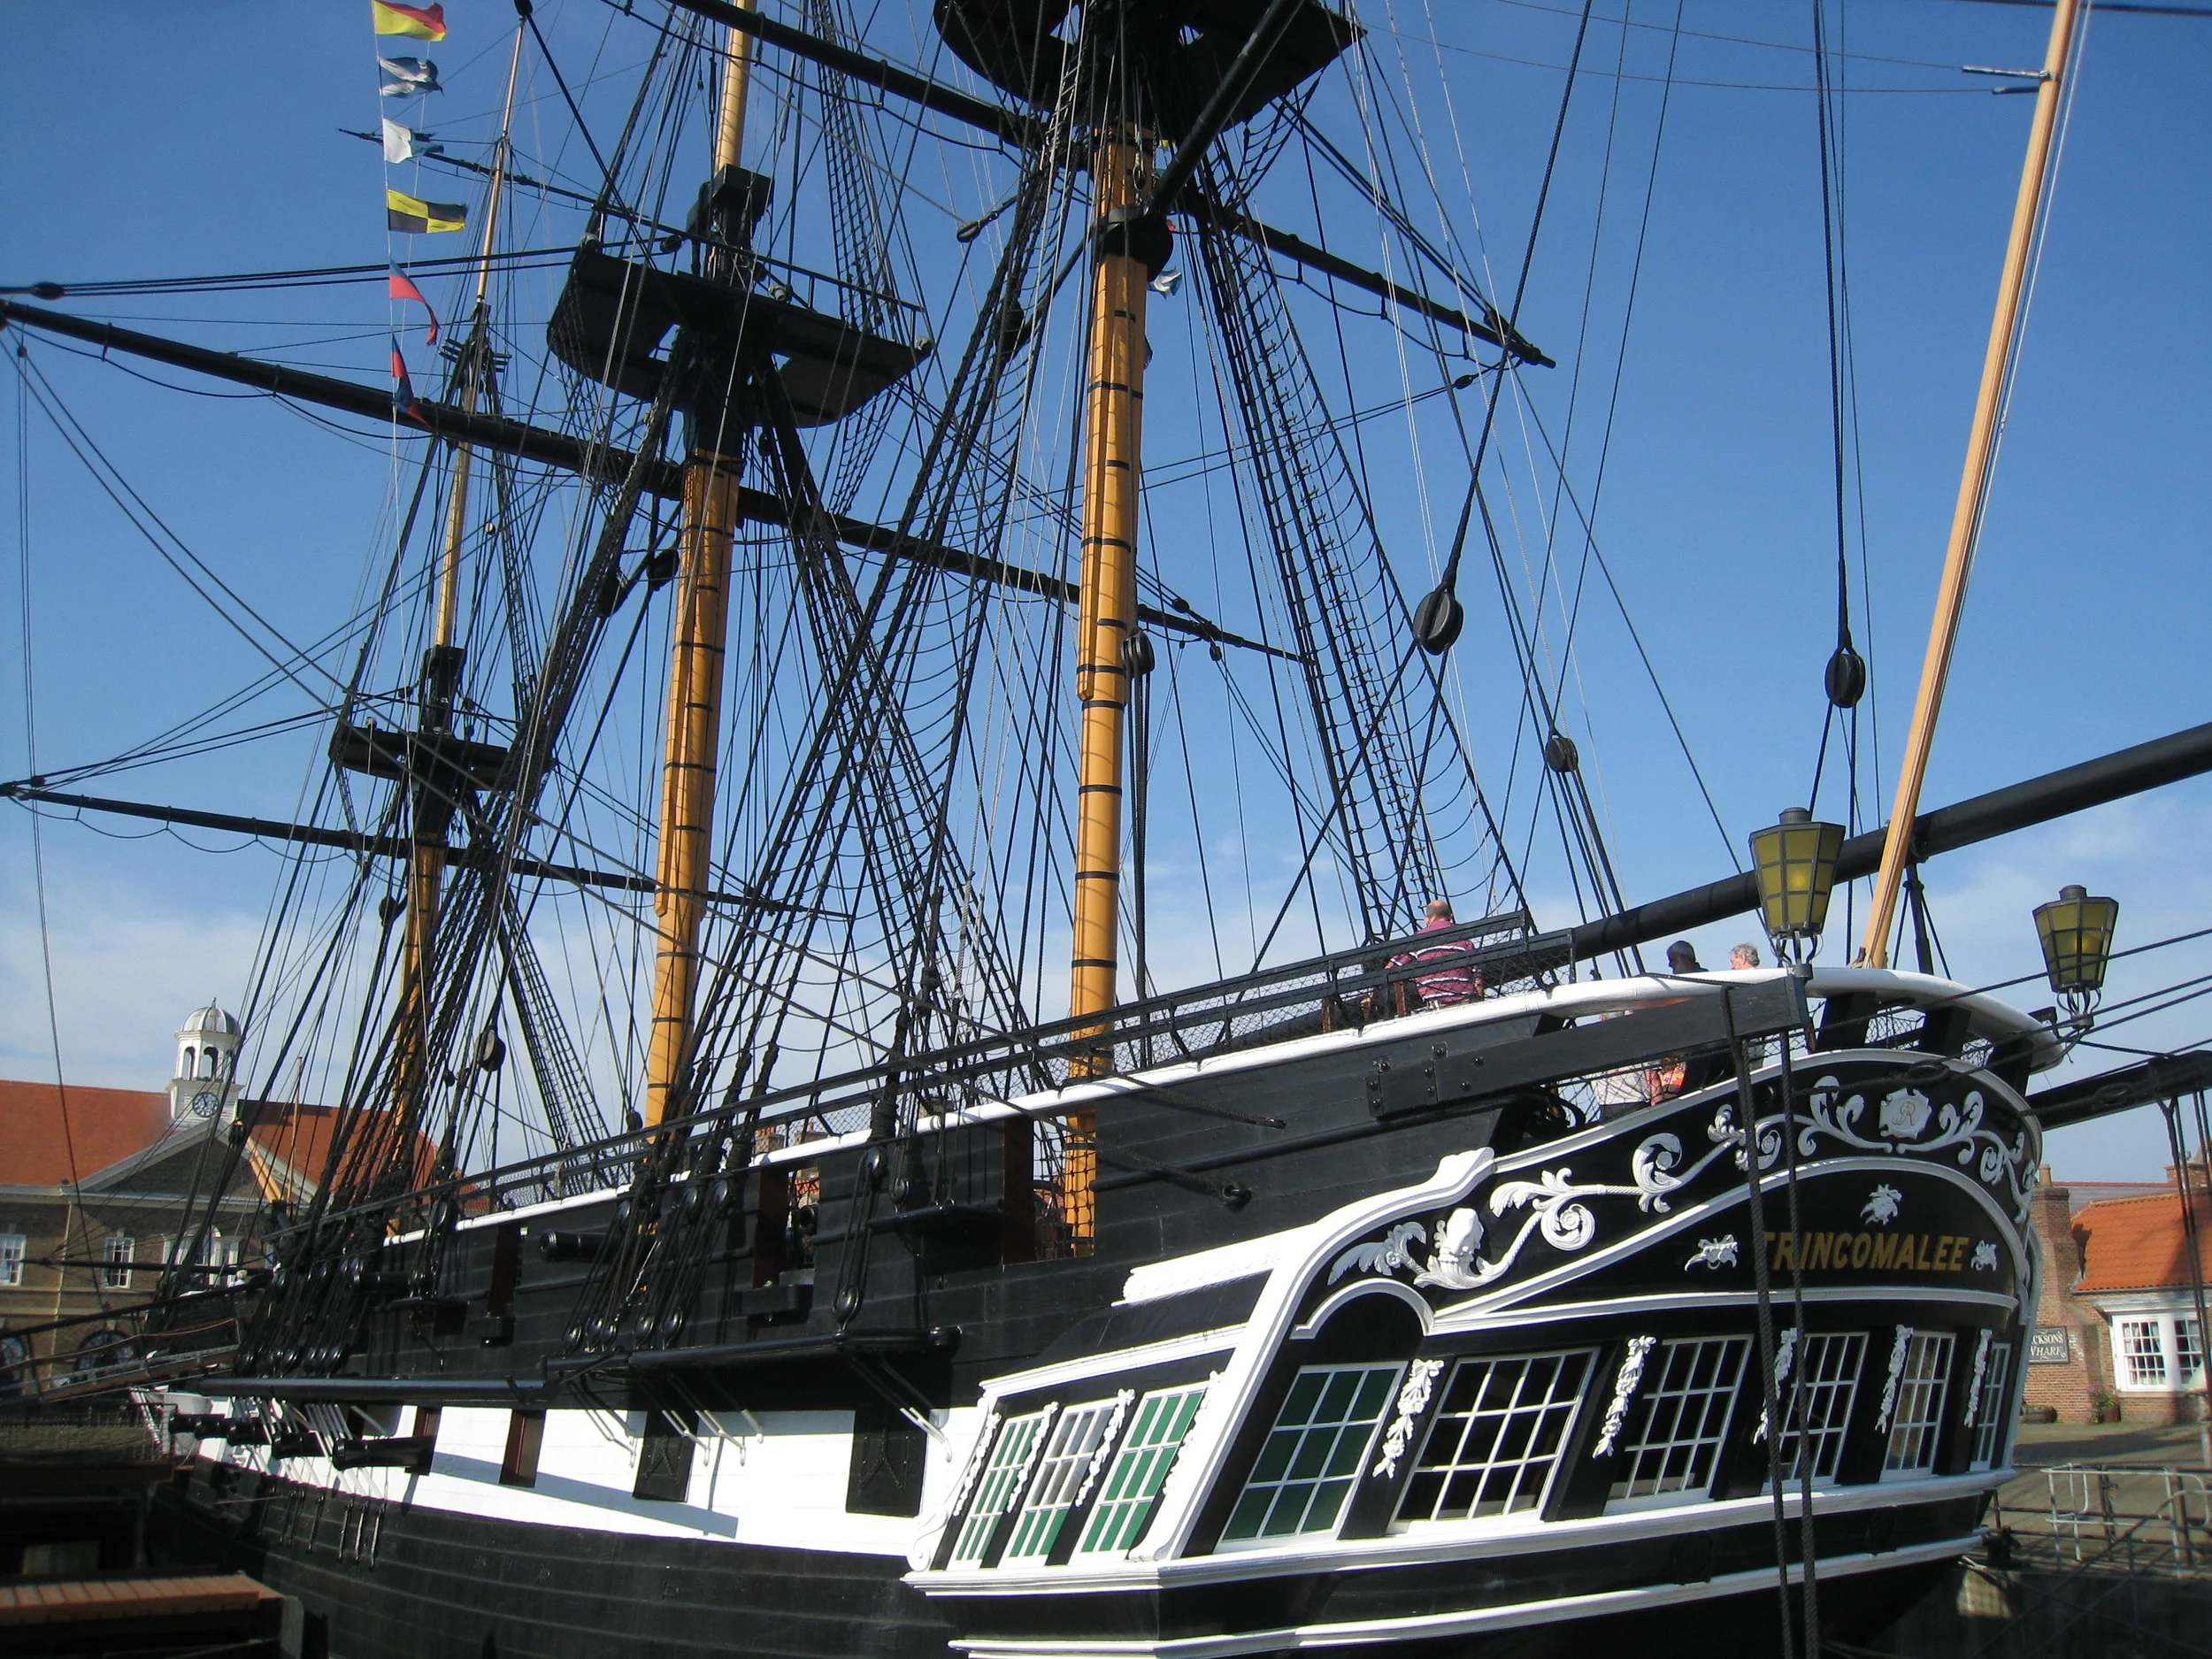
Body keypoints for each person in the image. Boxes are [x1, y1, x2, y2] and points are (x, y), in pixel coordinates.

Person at [1391, 899, 1484, 1010]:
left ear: (1426, 919)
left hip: (1436, 1006)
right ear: (1451, 916)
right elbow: (1478, 977)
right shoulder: (1464, 940)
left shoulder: (1416, 940)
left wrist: (1371, 994)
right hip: (1466, 1002)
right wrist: (1480, 1000)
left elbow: (1392, 968)